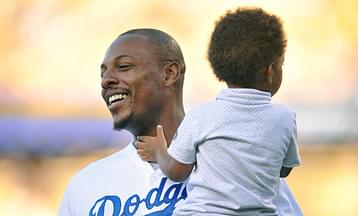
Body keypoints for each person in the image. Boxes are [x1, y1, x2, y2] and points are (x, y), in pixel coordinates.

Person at [58, 28, 303, 216]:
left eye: (123, 66)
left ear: (170, 73)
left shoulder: (243, 157)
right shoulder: (85, 186)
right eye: (103, 73)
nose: (107, 80)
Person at [136, 8, 301, 216]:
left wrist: (160, 151)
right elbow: (284, 170)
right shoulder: (285, 118)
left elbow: (177, 172)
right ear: (270, 71)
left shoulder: (201, 115)